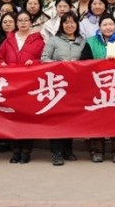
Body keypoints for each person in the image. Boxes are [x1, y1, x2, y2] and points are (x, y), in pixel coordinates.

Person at [81, 14, 115, 162]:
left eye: (111, 24)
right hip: (96, 86)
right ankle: (96, 150)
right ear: (99, 27)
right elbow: (84, 62)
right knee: (96, 118)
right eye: (104, 24)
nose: (108, 27)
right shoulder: (91, 42)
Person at [0, 9, 44, 163]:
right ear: (16, 23)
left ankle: (26, 151)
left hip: (30, 85)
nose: (23, 23)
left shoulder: (38, 40)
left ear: (31, 22)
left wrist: (34, 63)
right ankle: (15, 150)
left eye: (26, 20)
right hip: (11, 85)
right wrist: (1, 64)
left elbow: (43, 59)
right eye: (20, 20)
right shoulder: (9, 40)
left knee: (27, 117)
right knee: (12, 117)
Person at [41, 11, 85, 165]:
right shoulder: (54, 40)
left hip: (75, 86)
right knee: (57, 119)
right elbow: (44, 59)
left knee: (71, 119)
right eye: (66, 22)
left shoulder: (82, 41)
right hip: (57, 85)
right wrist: (60, 64)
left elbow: (87, 61)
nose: (69, 25)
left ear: (77, 24)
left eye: (72, 22)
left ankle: (68, 150)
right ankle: (57, 152)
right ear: (61, 25)